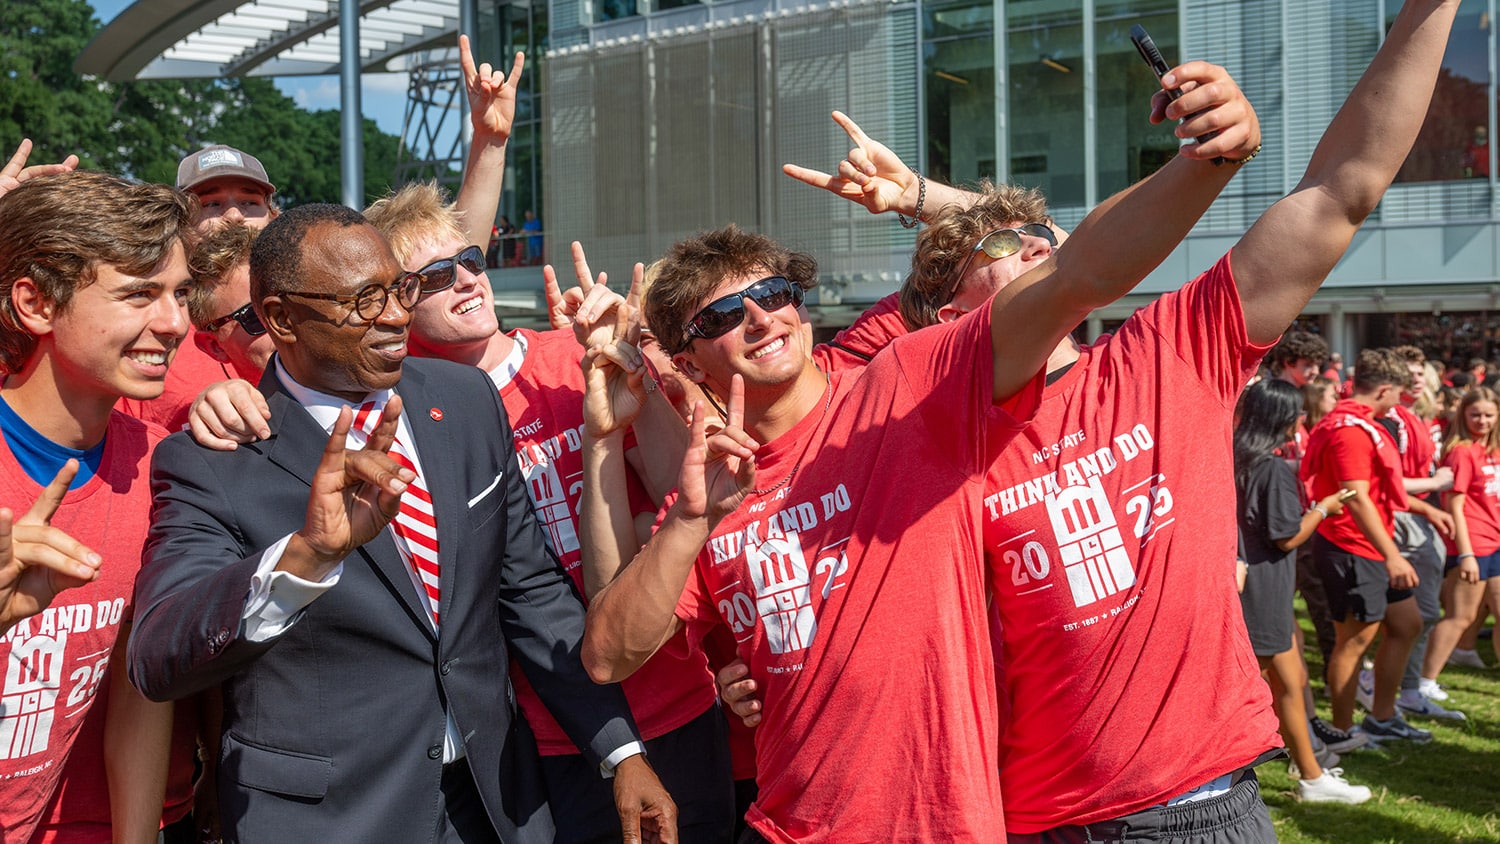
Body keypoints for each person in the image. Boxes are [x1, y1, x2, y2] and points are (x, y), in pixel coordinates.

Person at [723, 1, 1458, 835]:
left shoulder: (1175, 350)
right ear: (943, 313)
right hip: (1042, 820)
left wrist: (1431, 9)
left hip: (1212, 805)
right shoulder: (920, 430)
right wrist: (747, 674)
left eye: (1042, 233)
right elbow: (787, 532)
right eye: (1003, 250)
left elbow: (1342, 189)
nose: (1036, 245)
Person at [576, 49, 1264, 841]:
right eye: (721, 318)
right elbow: (608, 654)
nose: (759, 319)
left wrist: (1209, 159)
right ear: (685, 357)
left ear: (801, 307)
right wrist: (679, 510)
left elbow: (1052, 268)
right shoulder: (709, 486)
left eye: (772, 295)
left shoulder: (904, 384)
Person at [127, 203, 675, 844]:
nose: (394, 316)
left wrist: (619, 750)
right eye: (362, 302)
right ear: (280, 319)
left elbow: (531, 592)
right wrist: (306, 557)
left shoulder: (466, 401)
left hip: (496, 804)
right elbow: (159, 656)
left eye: (400, 290)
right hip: (330, 820)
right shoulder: (212, 461)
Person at [363, 183, 732, 842]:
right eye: (436, 277)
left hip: (673, 697)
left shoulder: (571, 355)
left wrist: (639, 378)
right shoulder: (409, 415)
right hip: (550, 733)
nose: (467, 282)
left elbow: (689, 491)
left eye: (471, 259)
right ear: (397, 304)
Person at [0, 169, 192, 842]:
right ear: (35, 304)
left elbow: (135, 686)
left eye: (180, 294)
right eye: (139, 294)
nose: (173, 324)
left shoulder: (159, 464)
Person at [1234, 380, 1371, 803]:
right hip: (1262, 588)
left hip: (1254, 586)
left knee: (1291, 681)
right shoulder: (1270, 467)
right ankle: (1198, 780)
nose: (1302, 420)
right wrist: (1323, 509)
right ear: (1285, 419)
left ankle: (1312, 776)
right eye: (1297, 414)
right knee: (1241, 691)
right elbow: (1286, 537)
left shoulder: (1233, 456)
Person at [1303, 348, 1434, 745]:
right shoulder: (1349, 429)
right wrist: (1393, 556)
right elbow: (1356, 497)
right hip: (1352, 547)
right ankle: (1342, 732)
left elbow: (1374, 492)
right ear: (1385, 390)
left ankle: (1381, 716)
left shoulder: (1361, 422)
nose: (1400, 402)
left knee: (1407, 623)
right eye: (1398, 393)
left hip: (1371, 545)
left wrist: (1427, 509)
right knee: (1353, 642)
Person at [1376, 345, 1463, 721]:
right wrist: (1434, 483)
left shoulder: (1414, 415)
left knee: (1418, 613)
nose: (1415, 378)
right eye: (1407, 372)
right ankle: (1391, 693)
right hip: (1402, 520)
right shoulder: (1390, 418)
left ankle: (1407, 690)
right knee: (1412, 614)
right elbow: (1384, 482)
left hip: (1417, 517)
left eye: (1419, 371)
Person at [1420, 387, 1500, 686]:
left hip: (1495, 541)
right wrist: (1465, 554)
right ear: (1463, 415)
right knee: (1460, 617)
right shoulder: (1461, 452)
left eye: (1489, 415)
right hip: (1474, 543)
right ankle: (1423, 683)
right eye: (1475, 414)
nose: (1482, 420)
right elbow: (1454, 505)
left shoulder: (1492, 449)